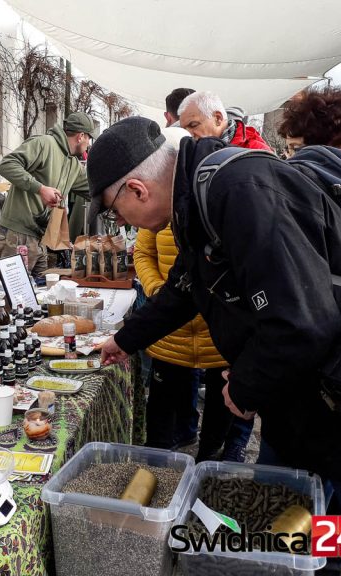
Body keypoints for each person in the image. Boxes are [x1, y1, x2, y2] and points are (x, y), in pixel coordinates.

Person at [86, 116, 341, 576]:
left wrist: (242, 388)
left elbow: (302, 323)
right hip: (302, 408)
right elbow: (186, 287)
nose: (119, 222)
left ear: (136, 189)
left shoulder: (240, 191)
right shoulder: (199, 200)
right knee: (303, 535)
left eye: (114, 211)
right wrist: (125, 338)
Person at [134, 127, 250, 461]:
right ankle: (165, 468)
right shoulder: (154, 210)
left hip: (216, 337)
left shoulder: (212, 208)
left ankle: (207, 470)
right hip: (171, 331)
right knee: (163, 415)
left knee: (218, 416)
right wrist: (157, 289)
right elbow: (143, 254)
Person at [0, 111, 94, 276]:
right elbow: (6, 165)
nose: (89, 143)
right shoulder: (44, 143)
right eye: (89, 138)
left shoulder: (73, 164)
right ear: (81, 136)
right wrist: (40, 188)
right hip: (17, 235)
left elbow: (92, 189)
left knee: (43, 292)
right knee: (17, 295)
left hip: (39, 238)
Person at [178, 91, 270, 150]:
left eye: (193, 125)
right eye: (184, 130)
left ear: (218, 118)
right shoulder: (190, 152)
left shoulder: (256, 152)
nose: (188, 134)